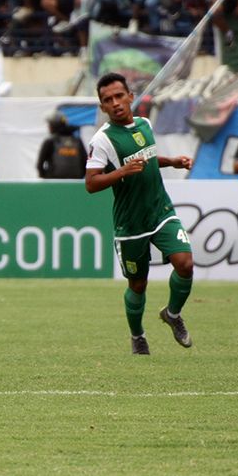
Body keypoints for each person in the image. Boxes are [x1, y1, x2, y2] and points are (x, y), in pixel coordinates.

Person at [86, 72, 195, 355]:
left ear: (130, 96)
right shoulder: (102, 141)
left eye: (119, 96)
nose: (115, 103)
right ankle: (137, 336)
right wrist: (121, 171)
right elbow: (91, 183)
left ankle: (172, 314)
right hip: (131, 223)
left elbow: (148, 157)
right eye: (107, 100)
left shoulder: (145, 124)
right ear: (102, 107)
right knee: (138, 284)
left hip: (160, 211)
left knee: (184, 263)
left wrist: (172, 161)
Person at [36, 110, 86, 179]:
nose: (48, 127)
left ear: (54, 125)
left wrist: (47, 178)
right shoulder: (77, 141)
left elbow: (39, 165)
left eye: (50, 124)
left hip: (54, 183)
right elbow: (85, 163)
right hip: (75, 183)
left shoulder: (50, 141)